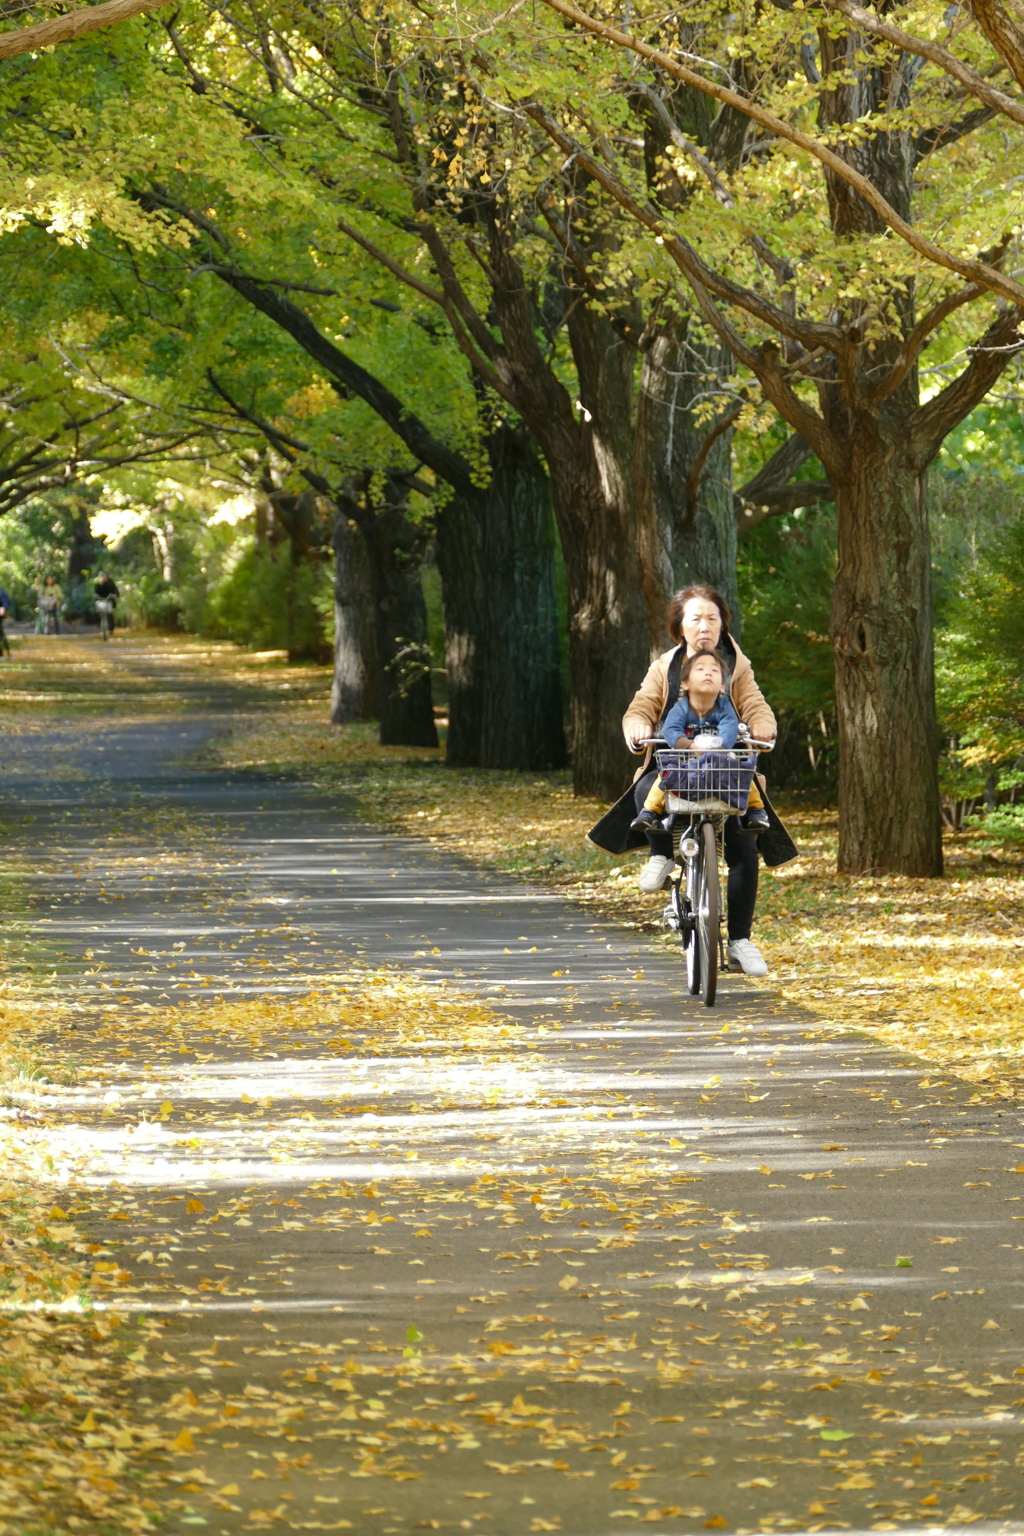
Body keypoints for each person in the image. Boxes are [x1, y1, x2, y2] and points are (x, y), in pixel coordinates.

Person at [622, 583, 777, 977]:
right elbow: (641, 705)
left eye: (713, 618)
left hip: (724, 769)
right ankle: (660, 853)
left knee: (745, 843)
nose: (705, 625)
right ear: (680, 627)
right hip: (677, 767)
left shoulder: (735, 667)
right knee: (646, 789)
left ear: (723, 625)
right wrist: (639, 723)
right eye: (696, 618)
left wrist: (761, 722)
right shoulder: (665, 668)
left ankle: (740, 941)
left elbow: (755, 704)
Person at [631, 648, 769, 835]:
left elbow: (729, 728)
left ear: (722, 686)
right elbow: (671, 730)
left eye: (714, 671)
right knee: (663, 778)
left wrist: (720, 750)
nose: (708, 673)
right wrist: (690, 746)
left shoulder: (724, 707)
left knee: (743, 775)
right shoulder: (681, 708)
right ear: (685, 683)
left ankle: (756, 810)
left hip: (719, 759)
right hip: (686, 761)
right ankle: (649, 812)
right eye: (700, 669)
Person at [0, 585, 11, 657]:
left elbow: (7, 602)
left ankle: (6, 653)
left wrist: (3, 608)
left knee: (1, 634)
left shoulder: (1, 592)